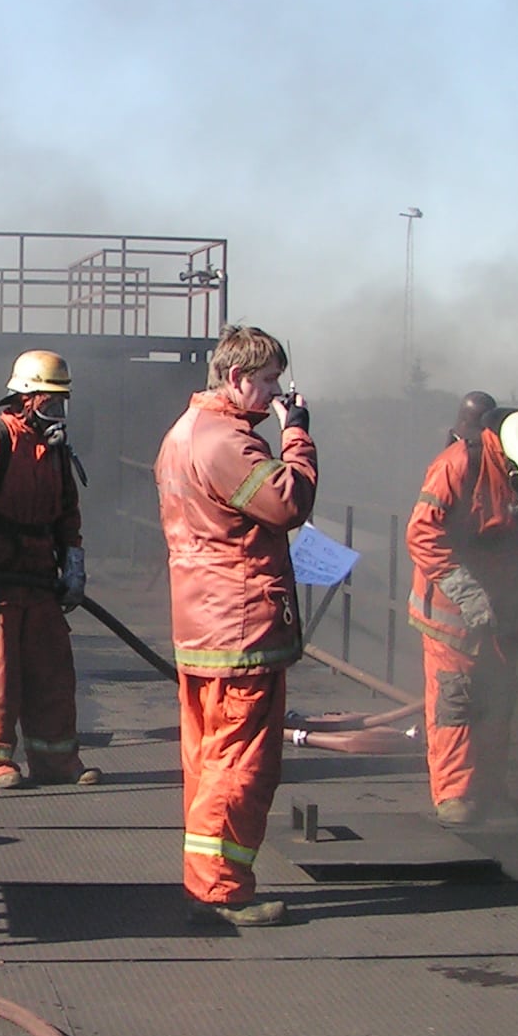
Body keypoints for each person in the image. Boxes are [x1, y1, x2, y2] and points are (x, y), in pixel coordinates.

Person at [155, 324, 315, 926]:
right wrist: (297, 435)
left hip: (204, 622)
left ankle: (207, 880)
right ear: (239, 377)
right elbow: (287, 503)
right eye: (269, 380)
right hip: (241, 626)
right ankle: (219, 889)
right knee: (240, 764)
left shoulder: (185, 431)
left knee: (208, 760)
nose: (276, 392)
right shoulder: (226, 441)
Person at [0, 350, 100, 790]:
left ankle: (56, 761)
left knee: (52, 675)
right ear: (26, 398)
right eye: (50, 401)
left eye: (62, 401)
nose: (58, 411)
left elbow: (67, 516)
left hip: (38, 581)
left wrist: (73, 565)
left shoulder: (54, 451)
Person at [406, 401, 518, 826]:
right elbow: (422, 534)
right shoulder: (459, 465)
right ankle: (454, 794)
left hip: (506, 607)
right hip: (450, 611)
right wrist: (468, 595)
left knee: (498, 698)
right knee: (456, 700)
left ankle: (492, 789)